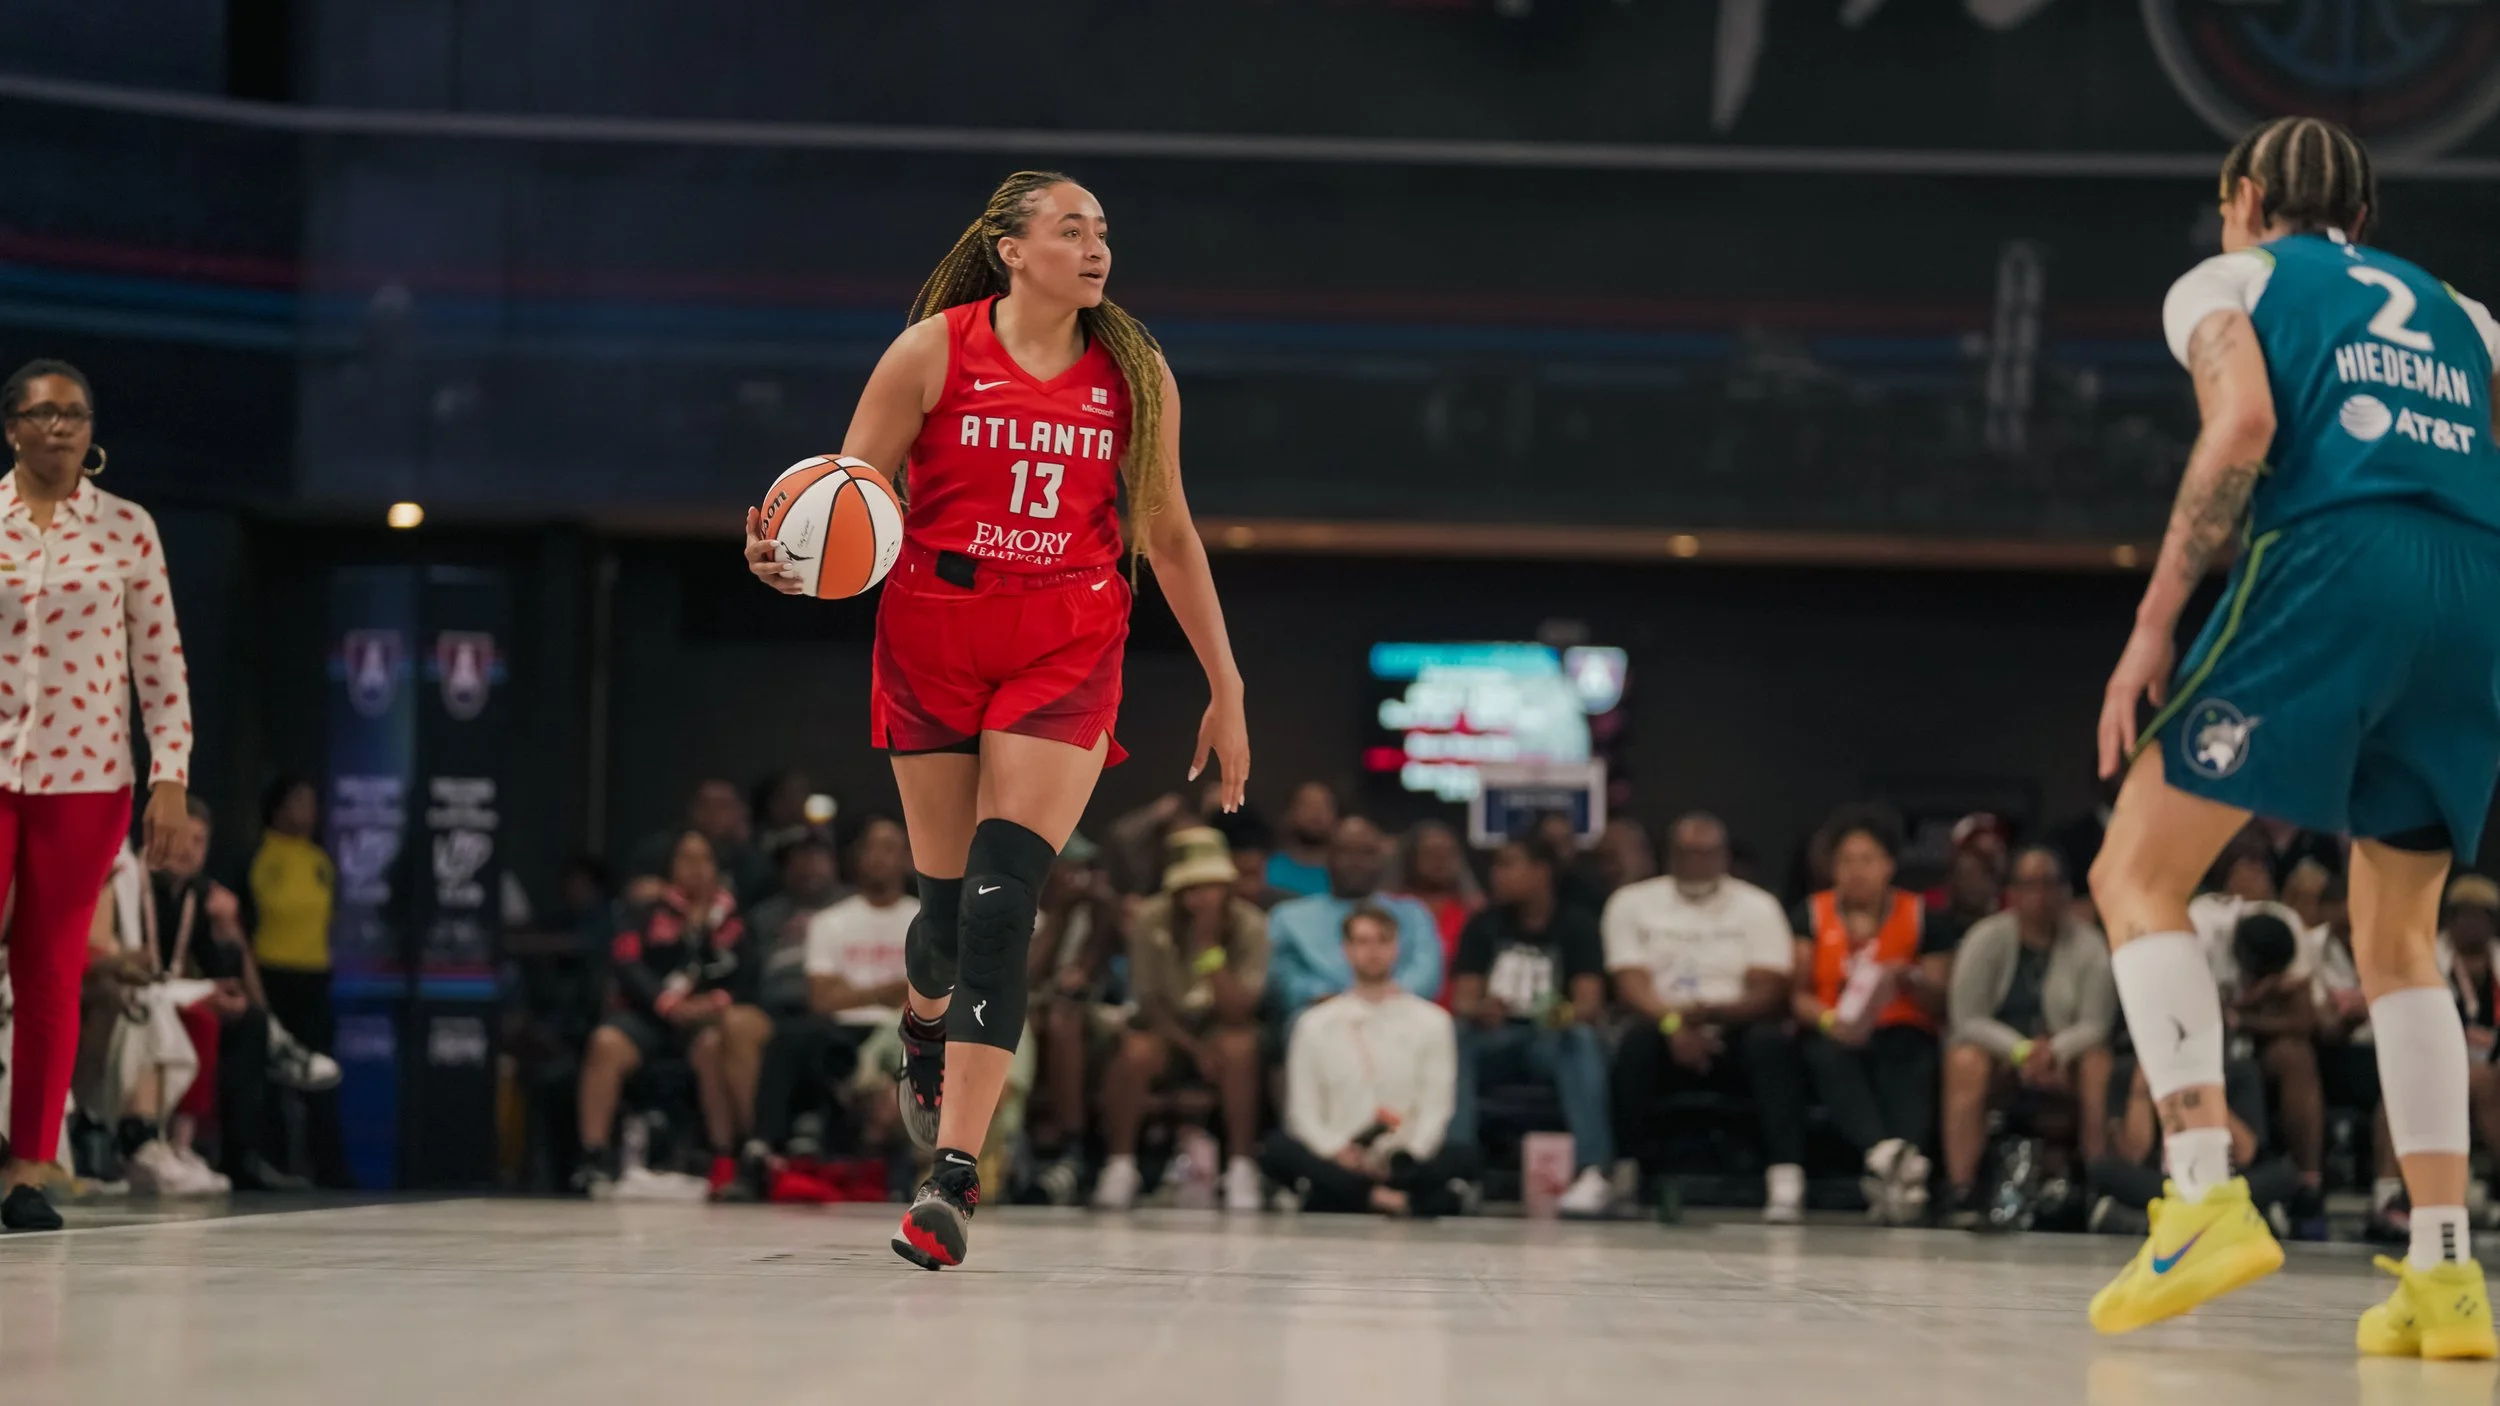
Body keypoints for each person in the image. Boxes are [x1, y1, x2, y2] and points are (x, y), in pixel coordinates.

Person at [743, 170, 1249, 1270]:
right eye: (1070, 228)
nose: (1095, 245)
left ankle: (952, 1178)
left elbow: (1167, 536)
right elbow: (851, 495)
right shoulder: (930, 351)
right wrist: (792, 558)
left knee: (997, 901)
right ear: (1011, 249)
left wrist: (1228, 683)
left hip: (1067, 637)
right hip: (933, 628)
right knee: (940, 916)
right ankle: (923, 1019)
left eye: (1103, 229)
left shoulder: (1134, 372)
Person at [2084, 116, 2500, 1352]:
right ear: (2361, 220)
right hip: (2474, 588)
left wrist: (2154, 623)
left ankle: (2204, 1183)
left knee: (2136, 872)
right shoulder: (2469, 319)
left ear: (2246, 197)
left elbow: (2243, 428)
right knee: (2397, 935)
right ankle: (2444, 1270)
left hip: (2339, 554)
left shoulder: (2232, 278)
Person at [0, 359, 191, 1233]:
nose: (61, 427)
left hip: (86, 779)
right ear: (12, 428)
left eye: (74, 414)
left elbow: (161, 662)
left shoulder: (127, 530)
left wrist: (171, 777)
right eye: (43, 415)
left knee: (51, 969)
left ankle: (28, 1169)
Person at [1602, 811, 1797, 1217]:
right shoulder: (1632, 902)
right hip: (1661, 1022)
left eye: (1707, 853)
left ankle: (1785, 1176)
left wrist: (1718, 1014)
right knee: (1634, 1042)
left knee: (1771, 1044)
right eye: (1687, 853)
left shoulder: (1757, 905)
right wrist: (1674, 1024)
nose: (1697, 862)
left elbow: (1770, 986)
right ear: (1670, 854)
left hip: (1735, 1023)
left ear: (1724, 855)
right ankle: (1622, 1171)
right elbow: (1630, 981)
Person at [1770, 807, 1955, 1226]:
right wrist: (1829, 1021)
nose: (1857, 871)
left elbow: (1942, 997)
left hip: (1902, 1025)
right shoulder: (1811, 914)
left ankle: (1905, 1159)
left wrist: (1907, 978)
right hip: (1836, 1026)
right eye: (1847, 861)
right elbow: (1797, 994)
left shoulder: (1923, 916)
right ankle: (1887, 1156)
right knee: (1826, 1055)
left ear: (1889, 865)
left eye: (1867, 860)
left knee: (1908, 1055)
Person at [572, 830, 770, 1195]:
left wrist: (712, 1003)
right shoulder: (646, 910)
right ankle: (593, 1157)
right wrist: (666, 1002)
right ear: (670, 867)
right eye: (685, 859)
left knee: (713, 1046)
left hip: (703, 1021)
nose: (695, 868)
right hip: (649, 1015)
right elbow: (627, 962)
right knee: (605, 1042)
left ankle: (724, 1159)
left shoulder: (732, 918)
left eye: (704, 859)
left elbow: (748, 976)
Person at [1094, 826, 1270, 1213]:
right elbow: (1149, 1002)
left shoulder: (1251, 925)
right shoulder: (1149, 920)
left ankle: (1241, 1167)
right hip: (1167, 1029)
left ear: (1226, 885)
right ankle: (1121, 1165)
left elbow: (1239, 1010)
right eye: (1190, 888)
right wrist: (1193, 1049)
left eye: (1210, 886)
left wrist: (1209, 950)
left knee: (1240, 1047)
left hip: (1221, 1027)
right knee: (1135, 1051)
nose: (1200, 897)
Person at [1259, 906, 1472, 1217]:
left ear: (1396, 947)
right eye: (1362, 941)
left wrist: (1407, 1154)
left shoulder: (1433, 1022)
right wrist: (1337, 1151)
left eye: (1382, 941)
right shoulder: (1314, 1023)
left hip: (1402, 1155)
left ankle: (1344, 1196)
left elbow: (1437, 1107)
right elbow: (1301, 1113)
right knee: (1278, 1150)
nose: (1373, 951)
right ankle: (1389, 1200)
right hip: (1340, 1153)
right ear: (1346, 950)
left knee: (1464, 1157)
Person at [1942, 846, 2116, 1226]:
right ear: (2012, 892)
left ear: (2065, 892)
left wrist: (2053, 1052)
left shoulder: (2089, 945)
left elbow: (2095, 1022)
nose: (2040, 895)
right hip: (2000, 1057)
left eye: (2049, 884)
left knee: (2098, 1061)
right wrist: (2021, 1052)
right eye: (2029, 885)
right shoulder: (1985, 938)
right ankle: (1963, 1191)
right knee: (1964, 1059)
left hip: (2063, 1060)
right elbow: (1967, 1017)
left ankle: (2099, 1186)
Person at [1447, 837, 1613, 1217]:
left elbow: (1589, 1002)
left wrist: (1563, 1014)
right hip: (1496, 1038)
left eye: (1509, 865)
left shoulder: (1577, 925)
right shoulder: (1483, 924)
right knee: (1456, 1036)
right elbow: (1463, 999)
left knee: (1582, 1038)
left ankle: (1593, 1171)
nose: (1497, 875)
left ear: (1541, 872)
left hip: (1548, 1039)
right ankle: (1459, 1169)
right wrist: (1481, 1009)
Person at [745, 820, 914, 1187]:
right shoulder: (829, 921)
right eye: (872, 848)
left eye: (891, 848)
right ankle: (762, 1148)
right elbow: (822, 998)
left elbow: (931, 993)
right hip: (838, 1031)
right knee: (790, 1036)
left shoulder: (926, 920)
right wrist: (890, 987)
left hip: (905, 1029)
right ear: (857, 859)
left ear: (909, 858)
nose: (880, 858)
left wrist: (852, 989)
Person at [245, 774, 350, 1186]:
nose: (308, 811)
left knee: (321, 1074)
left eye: (312, 802)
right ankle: (272, 1164)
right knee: (271, 1077)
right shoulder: (258, 856)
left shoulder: (321, 861)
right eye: (299, 802)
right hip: (270, 976)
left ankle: (330, 1169)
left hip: (313, 977)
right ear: (278, 808)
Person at [1266, 817, 1443, 1031]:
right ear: (1327, 858)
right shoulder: (1289, 917)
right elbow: (1282, 975)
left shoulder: (1414, 913)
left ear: (1381, 859)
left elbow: (1426, 970)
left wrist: (1384, 998)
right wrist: (1320, 995)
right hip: (1321, 1019)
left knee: (1436, 1025)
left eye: (1367, 853)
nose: (1356, 862)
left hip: (1400, 1017)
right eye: (1345, 852)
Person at [1392, 820, 1481, 1007]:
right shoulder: (1389, 908)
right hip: (1399, 1010)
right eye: (1430, 854)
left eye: (1447, 854)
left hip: (1459, 1020)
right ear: (1411, 858)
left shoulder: (1474, 912)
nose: (1439, 861)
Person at [1266, 782, 1338, 899]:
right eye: (1307, 806)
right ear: (1289, 814)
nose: (1316, 814)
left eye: (1323, 807)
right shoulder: (1269, 869)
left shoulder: (1345, 874)